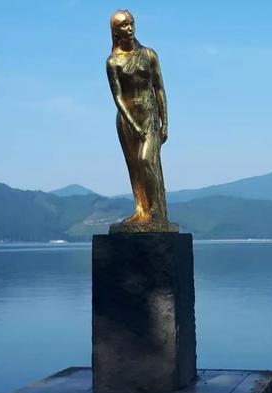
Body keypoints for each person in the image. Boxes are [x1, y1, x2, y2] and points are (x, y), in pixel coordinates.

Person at [107, 10, 170, 230]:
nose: (130, 28)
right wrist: (131, 123)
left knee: (146, 161)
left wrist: (165, 123)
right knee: (134, 167)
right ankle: (141, 210)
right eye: (124, 25)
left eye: (131, 23)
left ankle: (154, 211)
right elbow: (118, 97)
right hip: (127, 121)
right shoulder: (113, 62)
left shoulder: (149, 54)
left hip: (149, 117)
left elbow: (159, 89)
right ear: (116, 31)